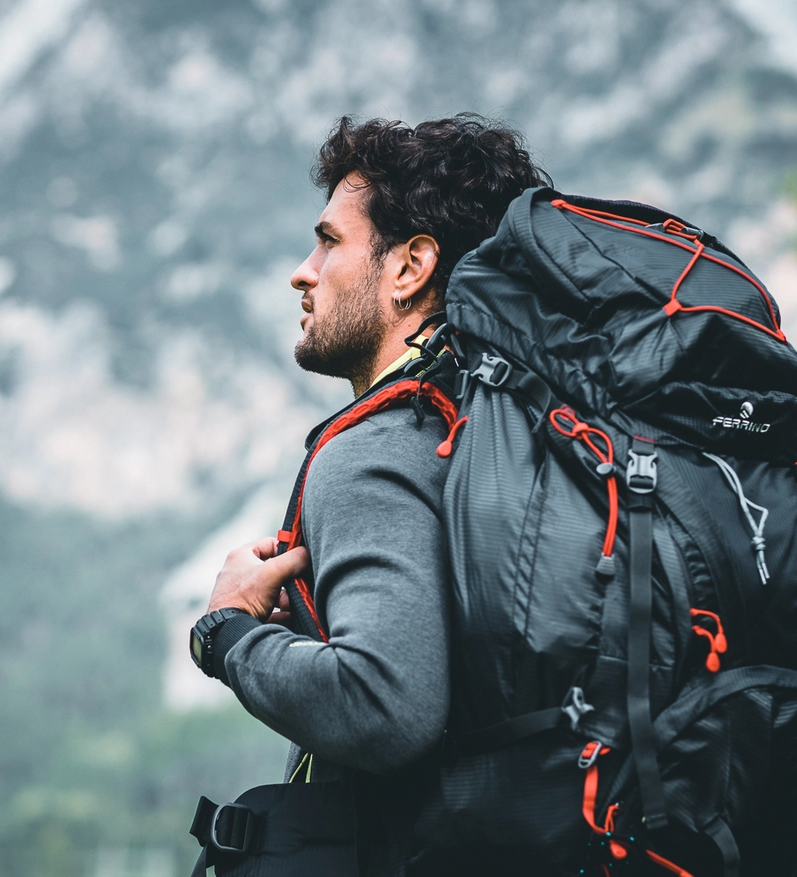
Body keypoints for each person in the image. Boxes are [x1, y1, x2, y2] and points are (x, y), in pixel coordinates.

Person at [185, 114, 550, 875]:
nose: (303, 270)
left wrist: (227, 633)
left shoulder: (378, 447)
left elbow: (385, 704)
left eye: (330, 241)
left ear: (410, 267)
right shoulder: (508, 437)